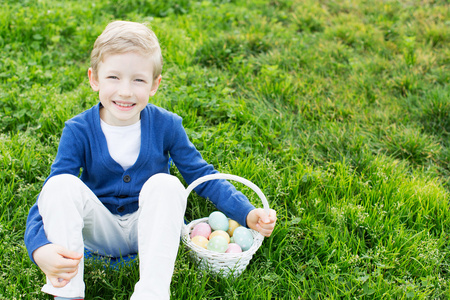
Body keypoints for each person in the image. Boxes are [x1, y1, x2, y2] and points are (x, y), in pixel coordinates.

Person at [24, 20, 277, 300]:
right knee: (60, 185)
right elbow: (49, 196)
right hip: (99, 230)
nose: (125, 91)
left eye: (138, 79)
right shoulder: (78, 130)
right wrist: (39, 247)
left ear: (155, 84)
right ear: (94, 78)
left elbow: (201, 175)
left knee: (166, 184)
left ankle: (152, 293)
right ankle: (68, 293)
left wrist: (246, 211)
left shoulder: (167, 125)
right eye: (113, 77)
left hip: (149, 227)